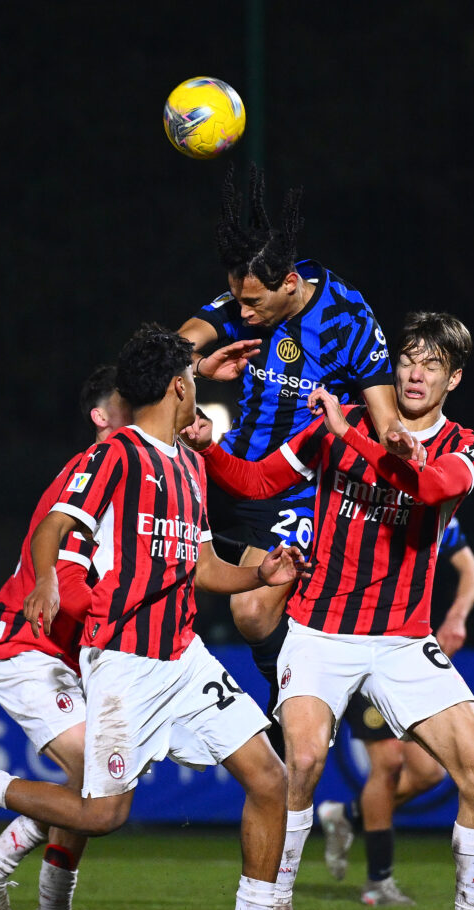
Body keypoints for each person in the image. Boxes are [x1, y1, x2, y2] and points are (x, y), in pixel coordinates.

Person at [0, 324, 317, 910]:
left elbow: (203, 563)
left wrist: (258, 575)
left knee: (270, 776)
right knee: (102, 815)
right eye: (193, 381)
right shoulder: (117, 455)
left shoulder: (188, 463)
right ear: (181, 388)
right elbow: (54, 524)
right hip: (123, 663)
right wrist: (46, 579)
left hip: (182, 657)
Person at [189, 311, 474, 910]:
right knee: (301, 764)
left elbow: (424, 489)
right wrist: (207, 444)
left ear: (453, 378)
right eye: (407, 359)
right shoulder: (338, 425)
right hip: (319, 631)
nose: (415, 373)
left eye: (432, 364)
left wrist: (352, 437)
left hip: (401, 641)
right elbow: (256, 482)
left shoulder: (466, 446)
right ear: (391, 366)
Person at [178, 165, 424, 756]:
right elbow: (181, 342)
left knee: (254, 610)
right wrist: (186, 364)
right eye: (237, 301)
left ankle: (294, 704)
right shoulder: (248, 290)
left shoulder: (347, 318)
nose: (244, 312)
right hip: (228, 467)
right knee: (165, 574)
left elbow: (384, 413)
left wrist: (397, 441)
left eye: (254, 303)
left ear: (290, 282)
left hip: (296, 488)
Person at [0, 365, 131, 910]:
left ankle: (8, 886)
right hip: (26, 644)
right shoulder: (92, 475)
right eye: (129, 405)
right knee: (92, 777)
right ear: (101, 418)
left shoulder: (131, 475)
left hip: (70, 652)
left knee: (100, 784)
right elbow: (72, 588)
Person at [317, 518, 474, 904]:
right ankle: (378, 880)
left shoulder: (431, 503)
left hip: (407, 649)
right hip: (357, 644)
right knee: (388, 763)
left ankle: (347, 815)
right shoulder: (357, 497)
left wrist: (457, 616)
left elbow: (471, 570)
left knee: (429, 772)